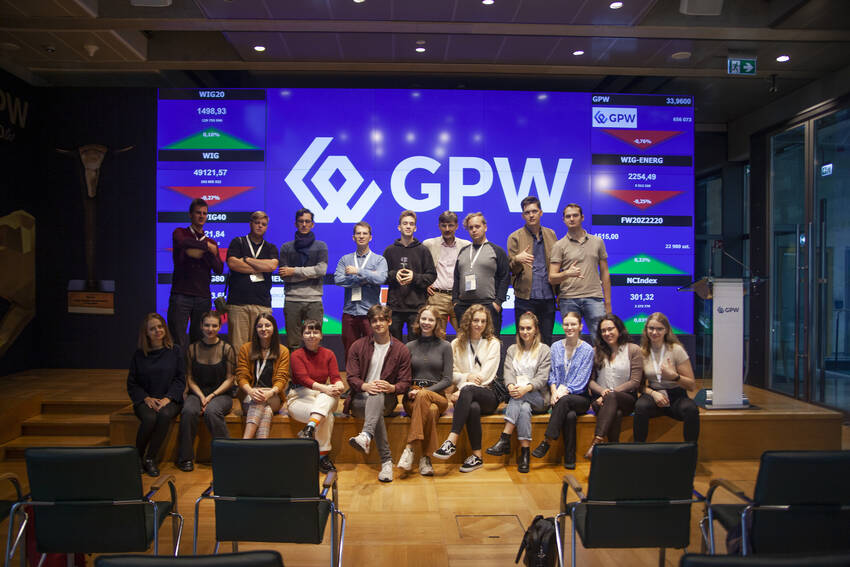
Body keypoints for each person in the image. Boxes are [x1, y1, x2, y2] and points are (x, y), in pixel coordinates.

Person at [346, 304, 412, 482]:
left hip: (386, 400)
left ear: (389, 321)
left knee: (377, 395)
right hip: (360, 400)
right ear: (370, 323)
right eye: (374, 320)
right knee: (374, 399)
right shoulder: (358, 346)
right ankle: (386, 461)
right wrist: (365, 386)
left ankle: (366, 436)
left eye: (382, 319)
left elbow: (405, 382)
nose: (378, 324)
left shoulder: (401, 349)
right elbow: (351, 377)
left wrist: (392, 388)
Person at [433, 304, 502, 473]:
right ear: (468, 321)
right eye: (475, 320)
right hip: (465, 398)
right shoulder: (456, 344)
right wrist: (466, 378)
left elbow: (486, 376)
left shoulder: (493, 343)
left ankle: (451, 440)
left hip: (488, 394)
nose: (479, 325)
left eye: (483, 321)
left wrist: (463, 388)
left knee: (468, 392)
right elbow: (451, 374)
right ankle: (477, 456)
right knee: (473, 407)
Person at [485, 312, 551, 473]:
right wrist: (510, 386)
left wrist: (525, 388)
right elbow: (508, 372)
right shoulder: (512, 349)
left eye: (529, 328)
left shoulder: (544, 350)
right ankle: (525, 454)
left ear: (535, 330)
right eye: (522, 328)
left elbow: (542, 378)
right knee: (523, 408)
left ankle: (505, 438)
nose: (525, 332)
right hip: (518, 395)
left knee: (519, 399)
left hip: (539, 398)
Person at [531, 311, 593, 469]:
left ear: (580, 326)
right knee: (570, 416)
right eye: (566, 324)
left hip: (579, 397)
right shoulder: (556, 347)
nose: (569, 327)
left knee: (565, 401)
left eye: (573, 324)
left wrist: (562, 392)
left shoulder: (587, 350)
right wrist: (553, 391)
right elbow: (551, 374)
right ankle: (570, 459)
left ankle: (547, 441)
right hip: (558, 397)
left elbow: (582, 380)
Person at [127, 313, 185, 477]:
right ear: (146, 333)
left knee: (164, 415)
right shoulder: (139, 354)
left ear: (165, 329)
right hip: (146, 399)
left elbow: (180, 379)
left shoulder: (175, 350)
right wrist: (146, 398)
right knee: (150, 418)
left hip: (170, 399)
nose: (157, 330)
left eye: (160, 327)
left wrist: (168, 398)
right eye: (152, 329)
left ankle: (150, 458)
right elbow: (132, 383)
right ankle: (137, 456)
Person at [176, 310, 235, 472]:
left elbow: (230, 379)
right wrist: (202, 396)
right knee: (188, 411)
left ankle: (227, 455)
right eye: (207, 325)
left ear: (219, 327)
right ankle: (185, 458)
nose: (210, 329)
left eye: (214, 326)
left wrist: (211, 396)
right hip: (197, 392)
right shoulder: (192, 348)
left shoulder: (227, 348)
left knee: (212, 411)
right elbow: (189, 377)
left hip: (221, 394)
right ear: (201, 326)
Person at [397, 305, 452, 477]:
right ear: (418, 320)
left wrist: (425, 391)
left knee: (427, 399)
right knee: (431, 411)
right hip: (412, 396)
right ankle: (425, 459)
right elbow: (404, 377)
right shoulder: (409, 346)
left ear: (437, 323)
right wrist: (410, 391)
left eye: (430, 319)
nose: (426, 322)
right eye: (424, 319)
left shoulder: (445, 346)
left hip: (438, 397)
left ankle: (409, 448)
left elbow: (447, 380)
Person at [633, 312, 700, 443]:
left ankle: (690, 451)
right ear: (646, 330)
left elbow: (691, 386)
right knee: (640, 406)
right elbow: (638, 386)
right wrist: (653, 394)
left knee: (691, 409)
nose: (654, 332)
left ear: (666, 330)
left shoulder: (676, 350)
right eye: (651, 328)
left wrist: (674, 376)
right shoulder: (642, 352)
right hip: (654, 394)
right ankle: (639, 449)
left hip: (676, 395)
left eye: (659, 329)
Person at [288, 319, 344, 473]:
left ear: (321, 335)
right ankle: (323, 457)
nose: (311, 335)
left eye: (315, 332)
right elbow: (303, 379)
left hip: (322, 397)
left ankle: (309, 428)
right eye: (307, 332)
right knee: (326, 415)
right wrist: (325, 388)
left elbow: (335, 377)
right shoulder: (296, 355)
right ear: (302, 336)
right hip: (300, 397)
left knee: (327, 395)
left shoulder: (329, 354)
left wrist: (339, 384)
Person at [168, 198, 223, 352]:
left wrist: (206, 251)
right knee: (177, 340)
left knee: (199, 341)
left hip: (202, 297)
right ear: (190, 214)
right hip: (181, 294)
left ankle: (194, 368)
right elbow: (183, 243)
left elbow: (219, 268)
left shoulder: (212, 242)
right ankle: (178, 368)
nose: (201, 216)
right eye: (198, 213)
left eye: (204, 213)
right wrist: (207, 248)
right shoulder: (180, 232)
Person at [585, 314, 643, 458]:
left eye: (610, 329)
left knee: (612, 398)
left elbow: (635, 381)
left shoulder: (633, 349)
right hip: (600, 400)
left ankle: (597, 442)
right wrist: (602, 392)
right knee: (615, 413)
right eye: (603, 331)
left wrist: (609, 394)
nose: (607, 333)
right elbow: (590, 381)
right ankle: (612, 453)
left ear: (619, 329)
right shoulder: (595, 351)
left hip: (626, 399)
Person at [549, 203, 611, 335]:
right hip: (568, 299)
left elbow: (605, 272)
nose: (571, 219)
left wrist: (608, 302)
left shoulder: (597, 242)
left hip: (594, 298)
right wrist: (567, 273)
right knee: (572, 341)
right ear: (563, 220)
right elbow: (552, 278)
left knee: (601, 340)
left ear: (582, 217)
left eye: (575, 215)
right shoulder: (559, 245)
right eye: (568, 216)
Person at [225, 211, 279, 353]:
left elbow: (271, 266)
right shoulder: (238, 242)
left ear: (266, 227)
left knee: (261, 347)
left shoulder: (270, 247)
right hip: (238, 303)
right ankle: (240, 369)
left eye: (263, 224)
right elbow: (233, 263)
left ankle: (259, 369)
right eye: (257, 223)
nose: (260, 226)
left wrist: (247, 259)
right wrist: (260, 266)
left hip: (262, 303)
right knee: (238, 348)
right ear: (250, 224)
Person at [508, 196, 558, 345]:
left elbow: (557, 264)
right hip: (525, 298)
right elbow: (511, 269)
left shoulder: (551, 234)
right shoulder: (515, 237)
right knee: (524, 341)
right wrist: (517, 259)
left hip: (548, 296)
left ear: (540, 213)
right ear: (523, 215)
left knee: (546, 340)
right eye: (527, 212)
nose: (531, 215)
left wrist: (559, 293)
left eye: (534, 211)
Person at [334, 221, 388, 360]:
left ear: (370, 237)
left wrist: (358, 271)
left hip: (371, 313)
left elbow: (381, 278)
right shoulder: (345, 259)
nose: (361, 236)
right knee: (350, 351)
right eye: (358, 233)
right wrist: (366, 278)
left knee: (374, 351)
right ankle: (353, 375)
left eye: (365, 233)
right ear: (354, 237)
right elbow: (338, 279)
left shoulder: (379, 260)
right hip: (350, 312)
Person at [452, 212, 510, 336]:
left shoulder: (497, 251)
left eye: (477, 226)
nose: (474, 230)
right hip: (464, 306)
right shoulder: (463, 251)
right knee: (465, 343)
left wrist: (497, 303)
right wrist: (455, 302)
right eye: (470, 227)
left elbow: (505, 277)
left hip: (488, 305)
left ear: (485, 227)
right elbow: (456, 277)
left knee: (490, 343)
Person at [383, 210, 436, 342]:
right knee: (395, 347)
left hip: (417, 308)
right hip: (395, 307)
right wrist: (394, 275)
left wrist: (415, 277)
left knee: (415, 346)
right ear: (399, 227)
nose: (408, 226)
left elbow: (432, 275)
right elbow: (381, 276)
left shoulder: (423, 250)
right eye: (405, 223)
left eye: (411, 224)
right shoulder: (389, 251)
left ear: (415, 228)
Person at [279, 208, 327, 350]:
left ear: (312, 224)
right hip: (292, 300)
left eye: (307, 221)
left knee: (314, 342)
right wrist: (310, 274)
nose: (304, 224)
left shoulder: (321, 246)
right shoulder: (286, 247)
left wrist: (294, 271)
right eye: (301, 221)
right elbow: (284, 275)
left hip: (314, 300)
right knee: (293, 344)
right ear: (296, 224)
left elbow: (321, 270)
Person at [236, 313, 289, 439]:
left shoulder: (283, 351)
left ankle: (245, 441)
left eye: (267, 325)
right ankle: (260, 446)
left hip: (273, 396)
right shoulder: (246, 348)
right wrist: (251, 391)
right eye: (260, 326)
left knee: (259, 402)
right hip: (250, 395)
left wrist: (269, 393)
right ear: (255, 329)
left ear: (274, 328)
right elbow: (241, 375)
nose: (263, 329)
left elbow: (281, 378)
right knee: (266, 411)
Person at [423, 211, 470, 333]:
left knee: (465, 335)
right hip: (436, 297)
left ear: (456, 226)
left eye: (451, 225)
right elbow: (419, 267)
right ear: (439, 226)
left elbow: (471, 271)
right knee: (437, 337)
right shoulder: (429, 244)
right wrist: (424, 285)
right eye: (444, 225)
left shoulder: (466, 245)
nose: (447, 229)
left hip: (459, 297)